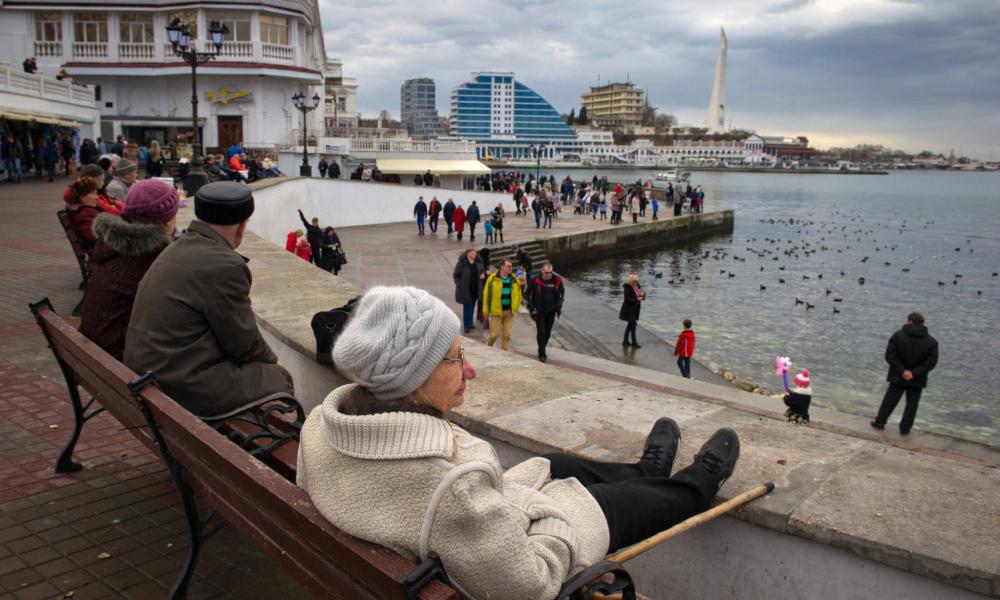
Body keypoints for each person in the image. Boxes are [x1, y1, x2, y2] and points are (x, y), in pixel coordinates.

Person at [296, 286, 742, 600]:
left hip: (452, 530)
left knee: (556, 464)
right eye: (455, 358)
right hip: (515, 544)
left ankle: (647, 471)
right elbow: (533, 584)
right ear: (411, 380)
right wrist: (549, 512)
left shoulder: (321, 424)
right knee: (607, 502)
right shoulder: (452, 490)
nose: (470, 371)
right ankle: (698, 484)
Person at [124, 182, 294, 416]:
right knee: (278, 376)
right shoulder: (225, 265)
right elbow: (244, 344)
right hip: (179, 385)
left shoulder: (176, 247)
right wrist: (274, 364)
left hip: (148, 375)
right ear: (242, 225)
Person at [79, 179, 178, 360]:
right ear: (167, 222)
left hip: (95, 354)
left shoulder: (111, 244)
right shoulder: (154, 258)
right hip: (121, 361)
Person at [871, 312, 939, 435]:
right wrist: (914, 373)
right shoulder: (932, 342)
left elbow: (890, 356)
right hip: (917, 378)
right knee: (912, 404)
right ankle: (905, 428)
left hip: (898, 375)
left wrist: (902, 371)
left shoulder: (898, 336)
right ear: (922, 323)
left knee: (890, 399)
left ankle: (880, 421)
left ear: (910, 321)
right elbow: (931, 363)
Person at [526, 263, 564, 362]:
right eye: (547, 273)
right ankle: (542, 353)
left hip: (551, 311)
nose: (549, 275)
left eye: (551, 272)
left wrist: (559, 303)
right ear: (542, 271)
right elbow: (526, 294)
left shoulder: (557, 280)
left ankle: (541, 348)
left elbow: (562, 292)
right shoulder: (535, 280)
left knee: (547, 333)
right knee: (541, 332)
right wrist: (531, 306)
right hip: (539, 311)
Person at [483, 259, 521, 351]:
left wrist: (516, 307)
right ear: (502, 267)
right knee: (494, 335)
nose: (510, 268)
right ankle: (486, 349)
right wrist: (486, 311)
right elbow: (486, 295)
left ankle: (505, 354)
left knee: (507, 335)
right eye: (508, 266)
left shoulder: (514, 279)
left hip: (509, 312)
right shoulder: (492, 278)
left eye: (511, 266)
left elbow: (519, 294)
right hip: (497, 312)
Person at [65, 176, 105, 246]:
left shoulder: (86, 211)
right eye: (92, 193)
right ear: (81, 196)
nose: (97, 197)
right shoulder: (84, 215)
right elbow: (94, 238)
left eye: (96, 193)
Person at [453, 247, 485, 333]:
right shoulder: (462, 263)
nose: (475, 254)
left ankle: (470, 323)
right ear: (468, 253)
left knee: (472, 306)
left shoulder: (478, 262)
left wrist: (482, 275)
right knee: (468, 307)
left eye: (475, 253)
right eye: (473, 253)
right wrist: (459, 284)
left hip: (476, 288)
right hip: (466, 289)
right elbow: (456, 275)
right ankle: (467, 326)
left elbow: (482, 271)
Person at [620, 274, 645, 348]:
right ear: (631, 281)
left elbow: (637, 295)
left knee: (630, 326)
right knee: (633, 325)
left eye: (636, 281)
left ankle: (625, 341)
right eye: (634, 281)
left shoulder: (636, 287)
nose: (636, 282)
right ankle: (634, 343)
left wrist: (641, 296)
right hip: (629, 310)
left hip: (634, 309)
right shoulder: (628, 288)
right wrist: (638, 299)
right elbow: (628, 299)